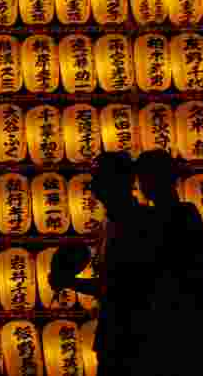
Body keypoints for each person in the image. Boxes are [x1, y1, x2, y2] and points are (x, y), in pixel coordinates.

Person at [50, 152, 163, 376]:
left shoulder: (138, 225)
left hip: (133, 336)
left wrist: (70, 281)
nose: (93, 188)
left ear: (116, 182)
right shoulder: (111, 225)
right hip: (117, 333)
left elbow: (120, 287)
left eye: (98, 180)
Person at [135, 149, 203, 373]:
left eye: (144, 179)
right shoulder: (187, 213)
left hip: (177, 321)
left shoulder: (168, 217)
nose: (142, 185)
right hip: (196, 317)